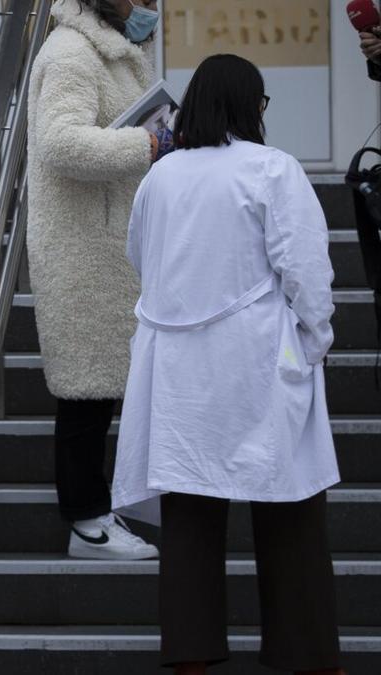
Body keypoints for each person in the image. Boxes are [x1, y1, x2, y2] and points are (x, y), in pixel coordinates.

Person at [111, 54, 344, 675]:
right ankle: (308, 655)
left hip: (179, 371)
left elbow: (142, 256)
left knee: (189, 511)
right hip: (258, 359)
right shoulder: (272, 169)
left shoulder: (160, 177)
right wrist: (315, 338)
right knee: (290, 506)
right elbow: (307, 271)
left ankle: (190, 655)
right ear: (249, 106)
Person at [25, 0, 164, 560]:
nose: (150, 7)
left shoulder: (112, 54)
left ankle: (101, 514)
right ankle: (87, 522)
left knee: (102, 387)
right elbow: (61, 142)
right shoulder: (71, 52)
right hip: (83, 250)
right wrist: (150, 144)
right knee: (86, 392)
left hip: (107, 246)